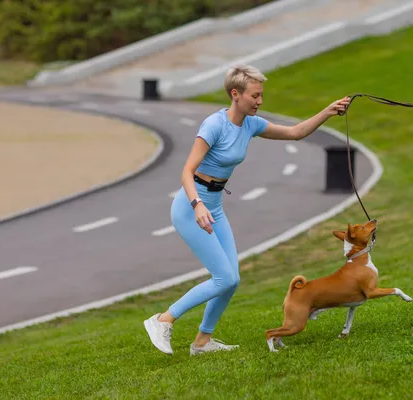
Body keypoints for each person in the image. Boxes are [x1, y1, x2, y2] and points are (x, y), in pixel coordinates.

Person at [143, 64, 351, 356]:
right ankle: (162, 320)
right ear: (235, 94)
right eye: (255, 95)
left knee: (232, 280)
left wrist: (327, 111)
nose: (260, 101)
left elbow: (294, 132)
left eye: (261, 95)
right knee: (223, 278)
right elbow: (186, 171)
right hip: (191, 207)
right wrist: (197, 205)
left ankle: (202, 342)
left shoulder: (251, 124)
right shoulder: (214, 125)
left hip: (214, 204)